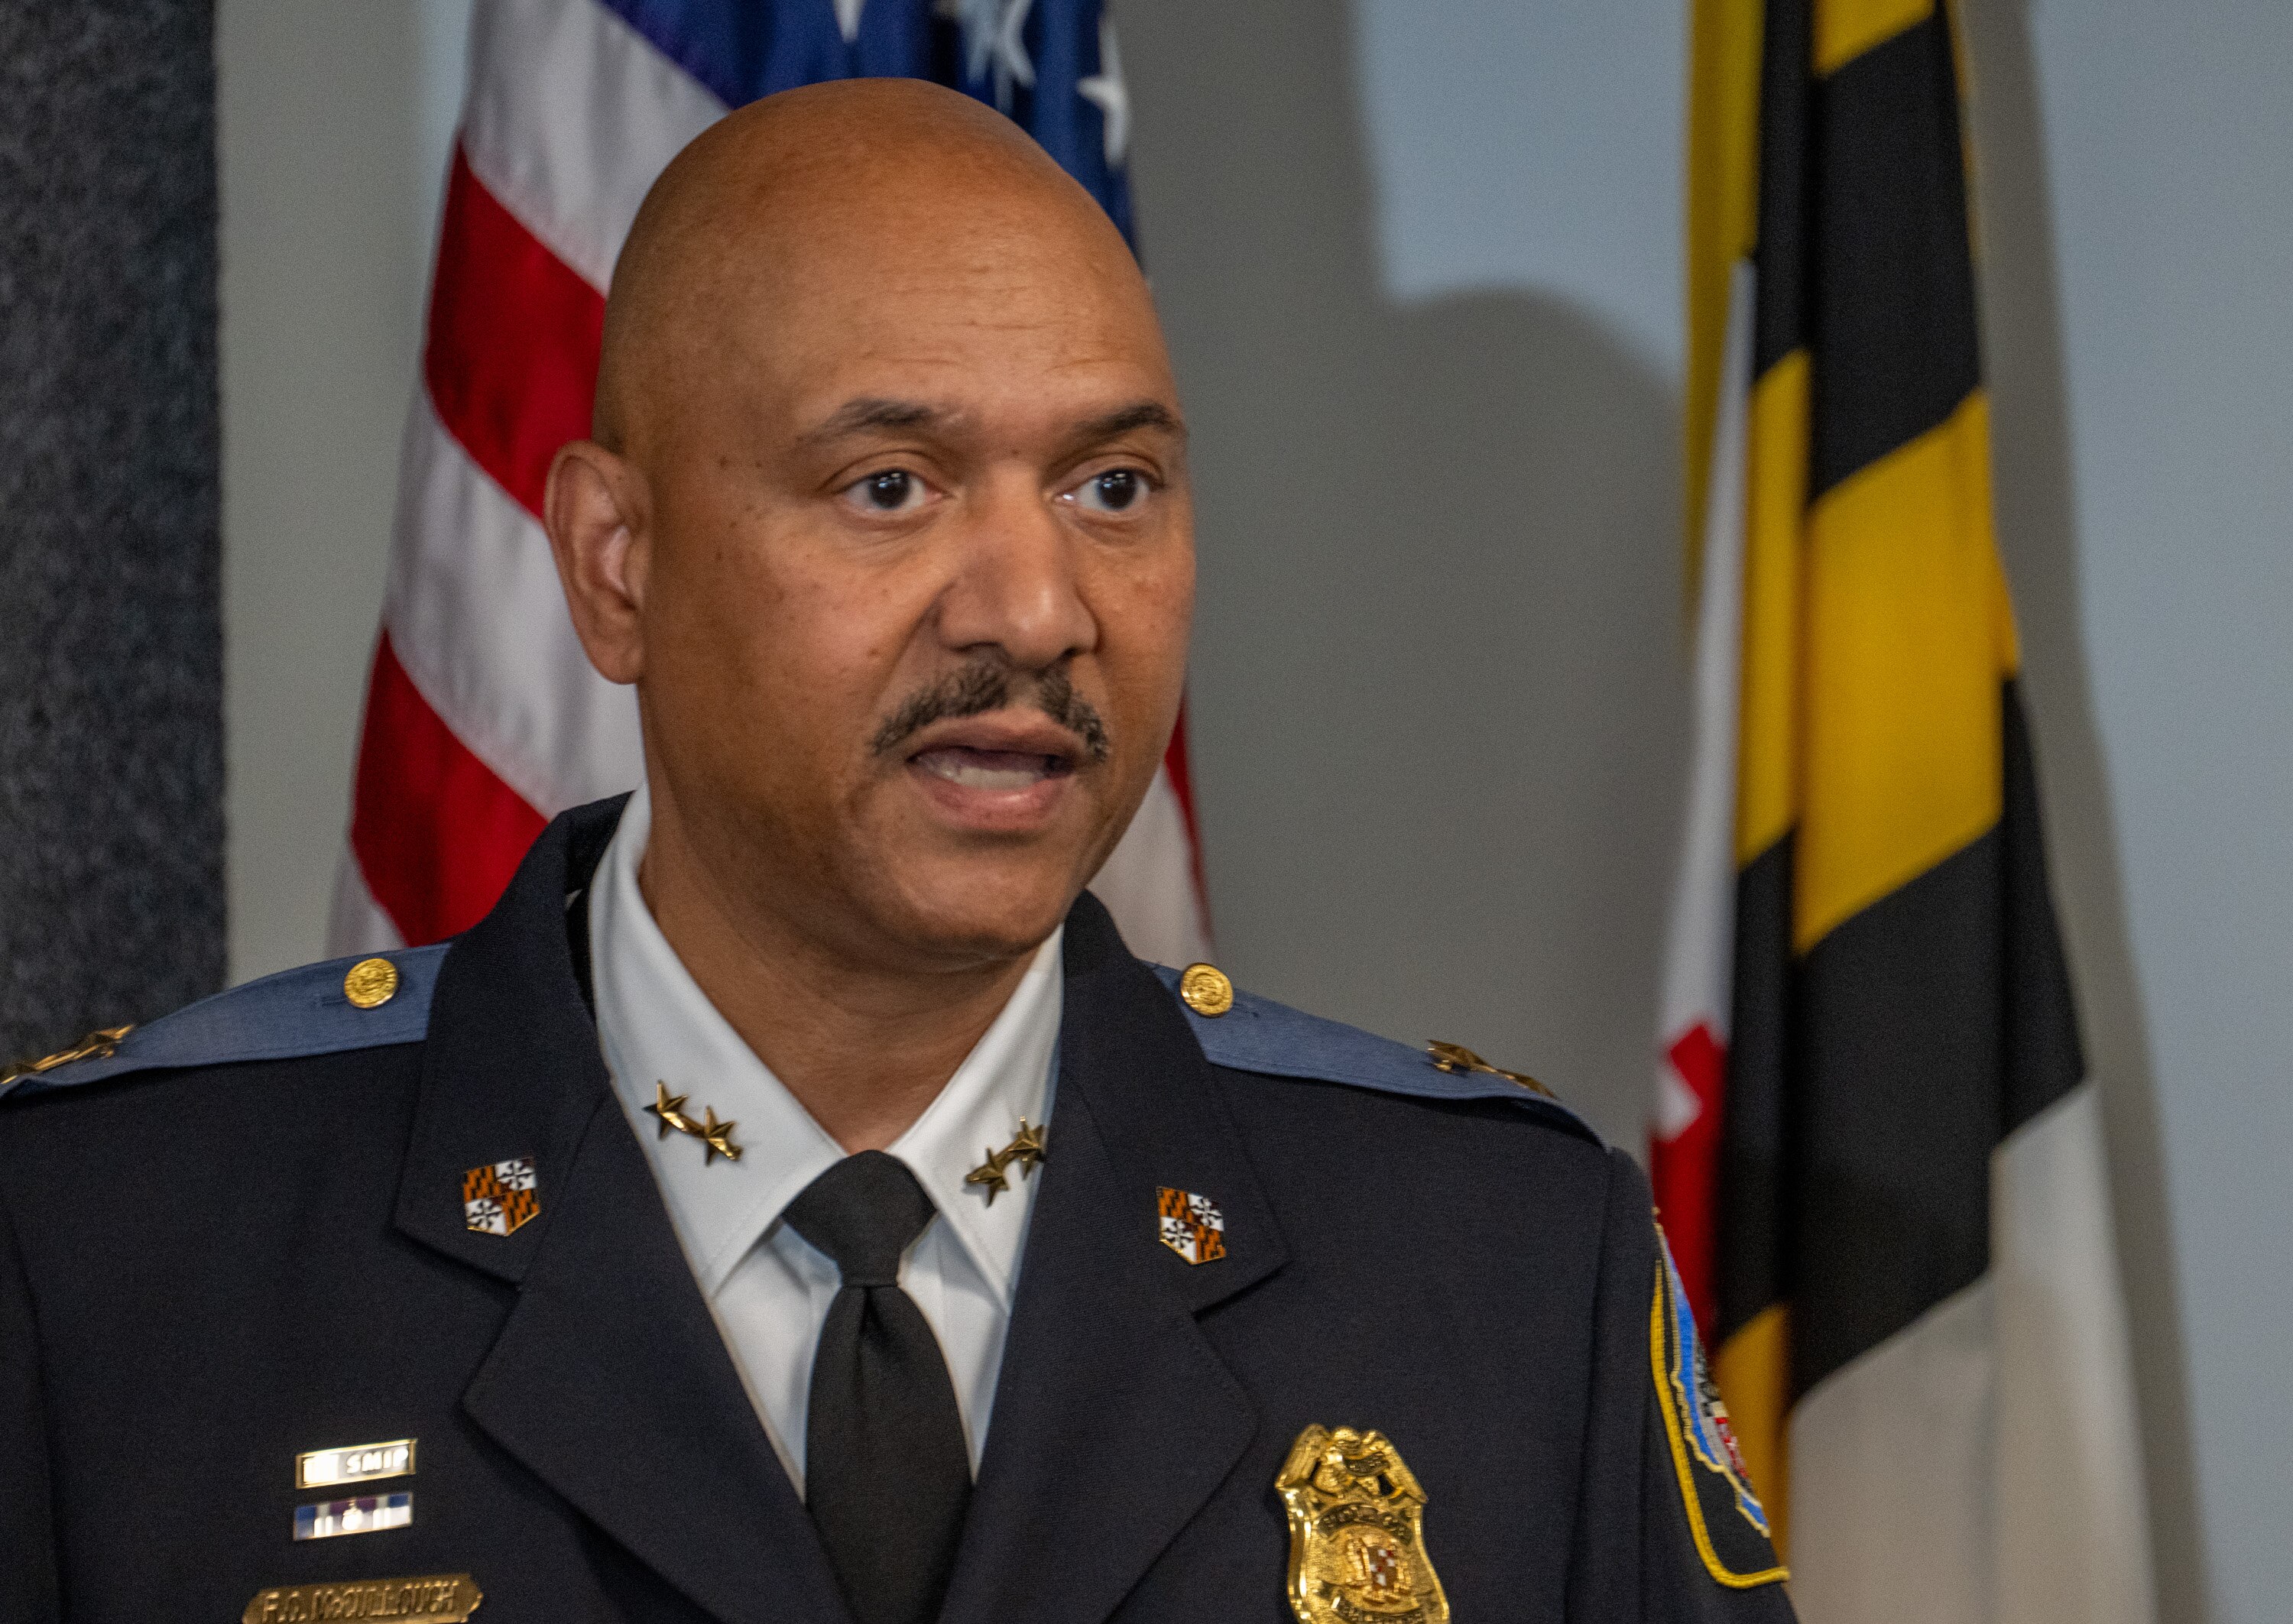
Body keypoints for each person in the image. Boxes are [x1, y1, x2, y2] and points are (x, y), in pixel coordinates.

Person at [0, 79, 1792, 1624]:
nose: (1038, 607)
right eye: (890, 486)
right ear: (617, 565)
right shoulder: (108, 1258)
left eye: (1114, 487)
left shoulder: (1501, 1266)